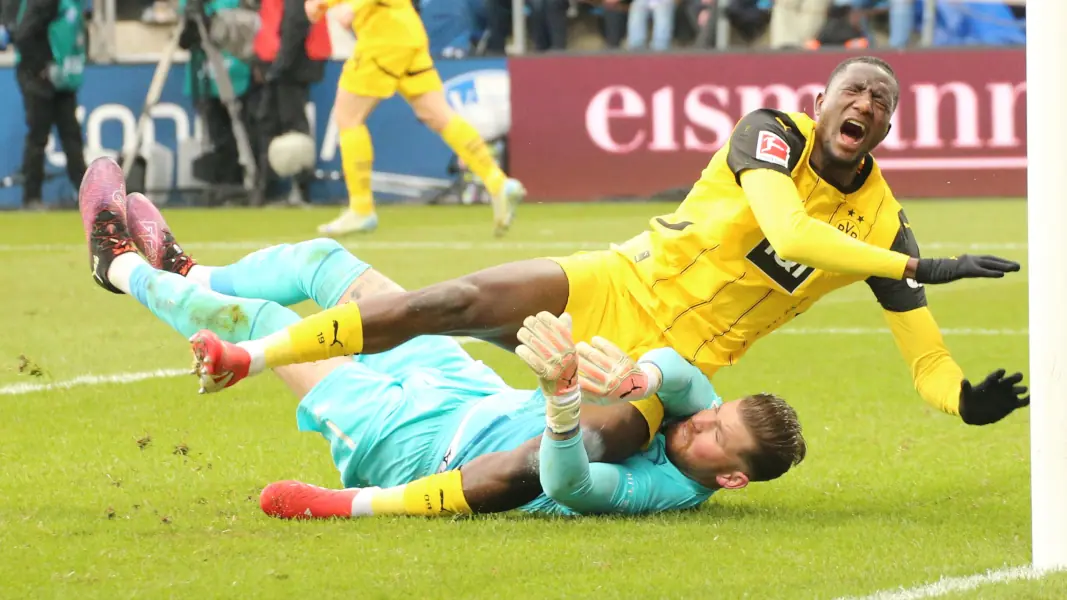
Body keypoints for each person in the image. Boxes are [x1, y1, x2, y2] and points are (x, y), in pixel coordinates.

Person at [189, 55, 1030, 433]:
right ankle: (246, 355)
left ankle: (428, 442)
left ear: (889, 127)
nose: (868, 106)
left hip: (670, 363)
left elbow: (924, 361)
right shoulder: (771, 132)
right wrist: (919, 265)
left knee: (586, 451)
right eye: (856, 91)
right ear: (822, 98)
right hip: (614, 285)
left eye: (883, 103)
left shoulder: (882, 223)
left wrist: (962, 401)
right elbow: (786, 228)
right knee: (446, 304)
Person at [75, 156, 806, 518]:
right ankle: (197, 278)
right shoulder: (699, 414)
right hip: (469, 391)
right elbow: (682, 376)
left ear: (729, 478)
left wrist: (560, 402)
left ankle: (124, 269)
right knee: (329, 265)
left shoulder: (661, 490)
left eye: (713, 435)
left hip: (413, 445)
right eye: (715, 413)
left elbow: (566, 482)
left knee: (274, 329)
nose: (700, 420)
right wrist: (644, 377)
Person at [305, 0, 525, 237]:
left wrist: (354, 7)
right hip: (407, 34)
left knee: (348, 117)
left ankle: (361, 208)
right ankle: (497, 181)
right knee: (438, 115)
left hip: (383, 38)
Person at [12, 0, 87, 210]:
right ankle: (31, 197)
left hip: (62, 79)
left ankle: (85, 195)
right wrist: (41, 67)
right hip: (38, 77)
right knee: (39, 135)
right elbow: (24, 35)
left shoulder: (72, 4)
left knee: (71, 135)